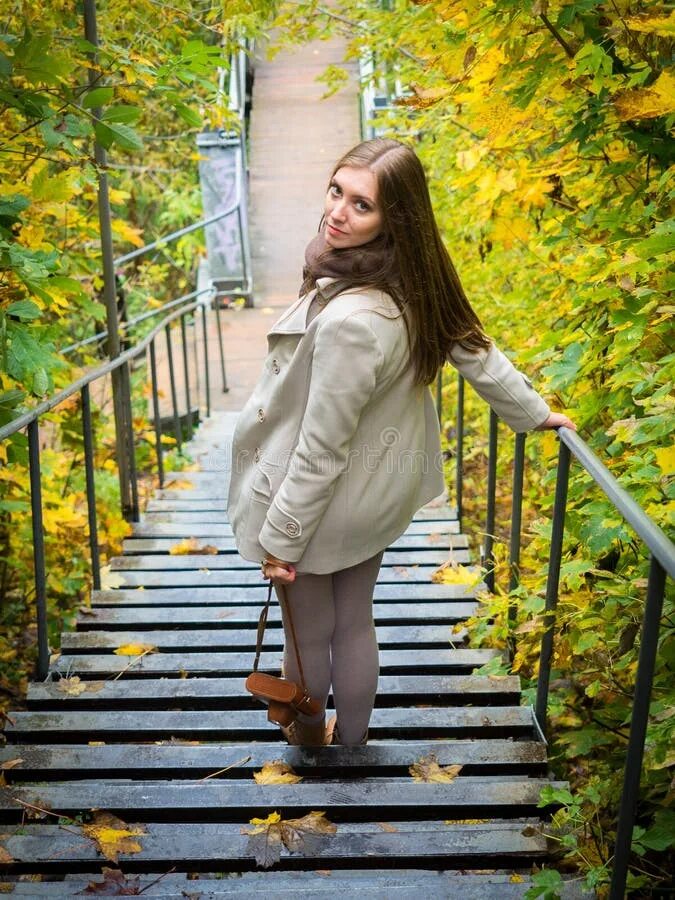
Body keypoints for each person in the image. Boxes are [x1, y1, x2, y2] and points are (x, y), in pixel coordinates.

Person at [227, 138, 576, 748]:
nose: (338, 212)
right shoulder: (413, 278)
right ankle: (355, 741)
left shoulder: (352, 322)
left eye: (361, 205)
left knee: (308, 640)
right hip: (373, 496)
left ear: (395, 218)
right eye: (337, 192)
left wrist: (280, 538)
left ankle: (311, 744)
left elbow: (320, 449)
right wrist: (532, 412)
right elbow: (475, 349)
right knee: (355, 621)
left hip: (314, 506)